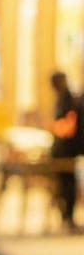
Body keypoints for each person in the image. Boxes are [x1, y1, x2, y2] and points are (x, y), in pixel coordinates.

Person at [47, 70, 82, 229]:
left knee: (67, 183)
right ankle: (66, 214)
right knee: (64, 182)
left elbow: (68, 124)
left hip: (66, 148)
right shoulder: (64, 97)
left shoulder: (66, 98)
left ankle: (68, 215)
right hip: (64, 148)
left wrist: (55, 128)